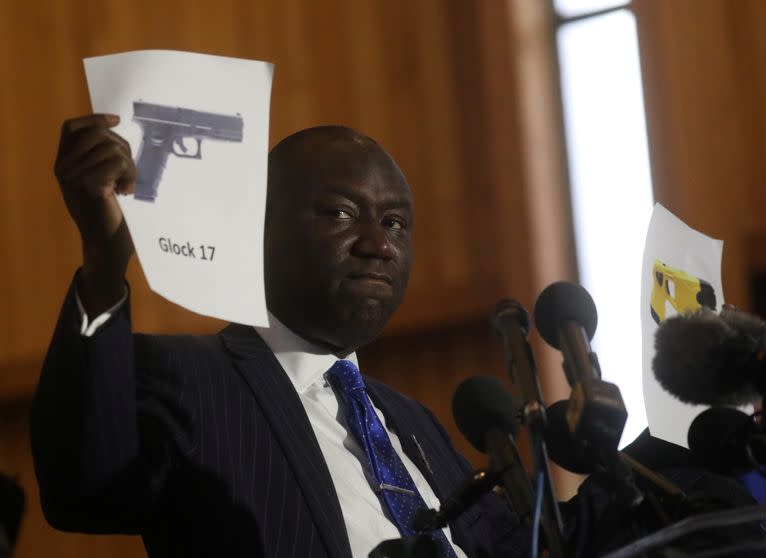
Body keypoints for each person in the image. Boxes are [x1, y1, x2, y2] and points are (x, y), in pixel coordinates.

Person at [31, 115, 527, 558]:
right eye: (341, 214)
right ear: (258, 230)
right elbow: (85, 487)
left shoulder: (415, 421)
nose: (379, 244)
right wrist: (103, 261)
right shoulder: (187, 378)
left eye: (395, 222)